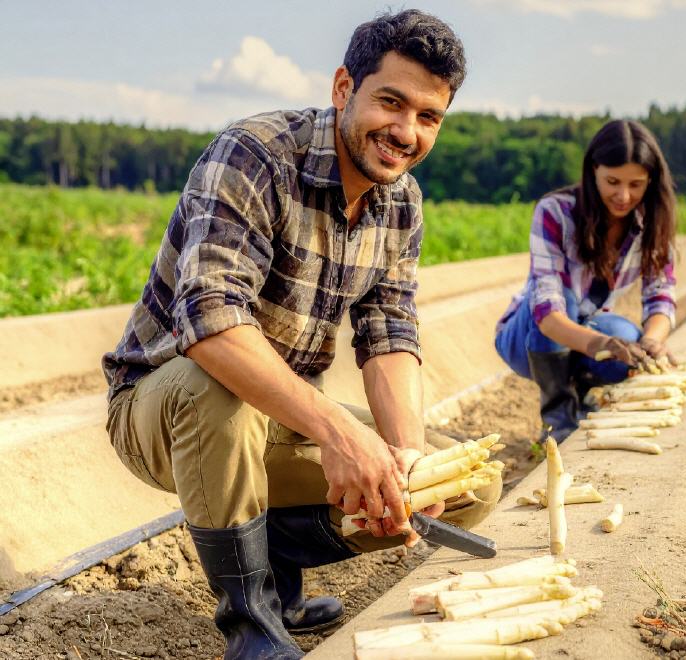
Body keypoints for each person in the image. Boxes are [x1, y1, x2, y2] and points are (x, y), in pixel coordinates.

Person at [102, 10, 499, 659]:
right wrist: (341, 434)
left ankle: (276, 559)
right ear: (345, 88)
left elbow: (389, 332)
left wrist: (401, 454)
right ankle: (253, 627)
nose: (406, 132)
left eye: (428, 117)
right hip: (165, 408)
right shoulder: (256, 153)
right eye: (391, 103)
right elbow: (210, 321)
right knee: (216, 384)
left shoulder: (402, 203)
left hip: (275, 419)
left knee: (461, 485)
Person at [495, 119, 678, 442]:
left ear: (650, 180)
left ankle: (584, 399)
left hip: (583, 331)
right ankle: (558, 420)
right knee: (562, 295)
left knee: (630, 341)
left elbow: (660, 296)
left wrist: (651, 343)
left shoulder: (651, 223)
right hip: (529, 336)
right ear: (593, 170)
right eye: (612, 181)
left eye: (636, 184)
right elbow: (548, 312)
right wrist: (602, 345)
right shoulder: (556, 212)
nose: (623, 195)